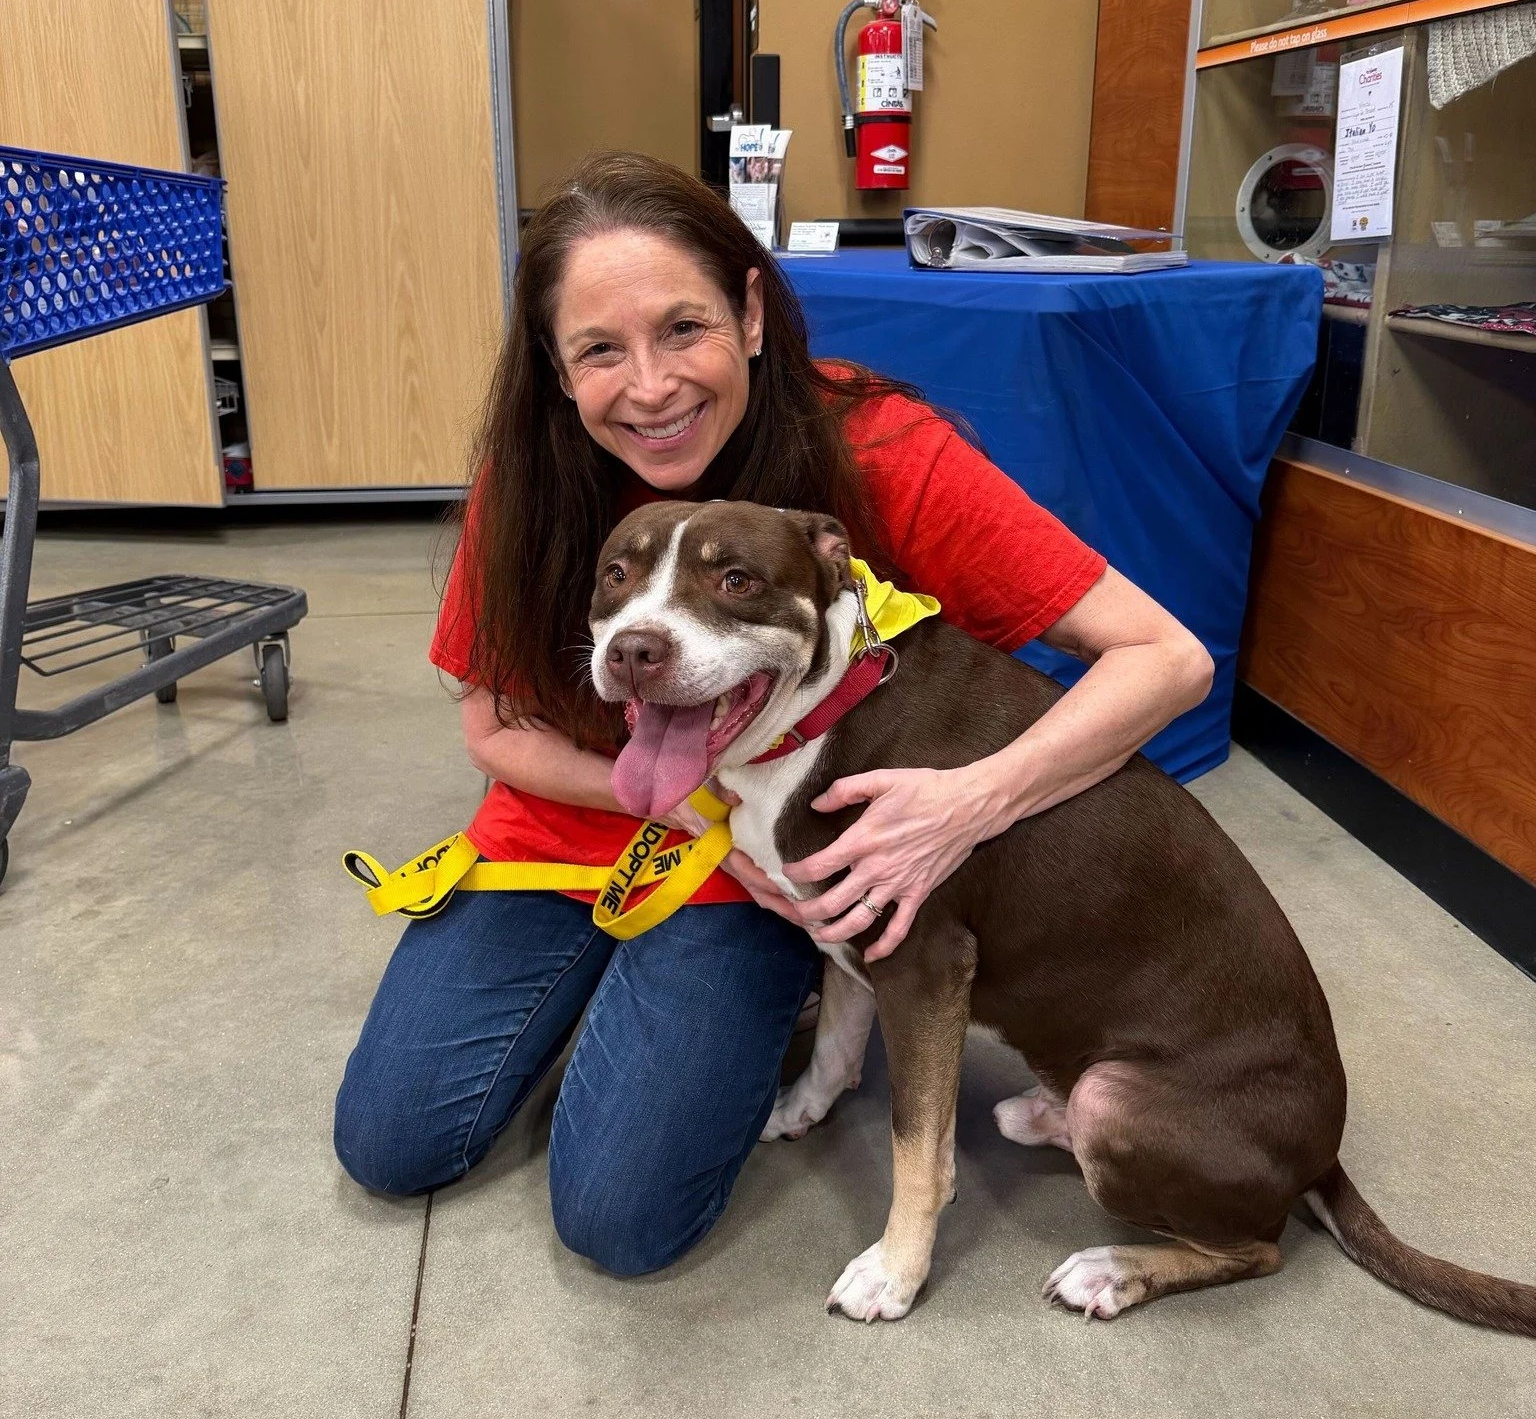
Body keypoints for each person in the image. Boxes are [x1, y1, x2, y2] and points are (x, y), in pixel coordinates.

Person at [333, 152, 1212, 1274]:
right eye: (599, 350)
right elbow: (493, 732)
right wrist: (680, 803)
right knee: (392, 1140)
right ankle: (611, 982)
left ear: (751, 313)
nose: (650, 387)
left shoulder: (875, 447)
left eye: (683, 329)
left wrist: (968, 804)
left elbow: (1167, 659)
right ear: (557, 368)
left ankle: (753, 996)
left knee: (617, 1218)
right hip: (572, 824)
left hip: (765, 875)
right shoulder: (533, 479)